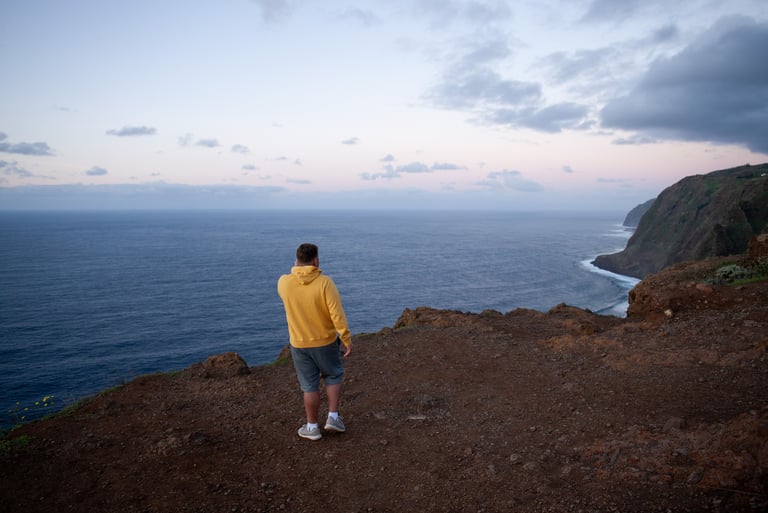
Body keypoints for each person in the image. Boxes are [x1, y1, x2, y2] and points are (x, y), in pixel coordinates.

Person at [277, 243, 352, 441]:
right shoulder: (325, 283)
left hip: (299, 344)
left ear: (296, 260)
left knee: (309, 385)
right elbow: (337, 314)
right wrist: (345, 338)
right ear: (316, 260)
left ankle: (312, 427)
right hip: (326, 342)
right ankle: (333, 418)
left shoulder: (284, 283)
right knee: (333, 375)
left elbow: (291, 289)